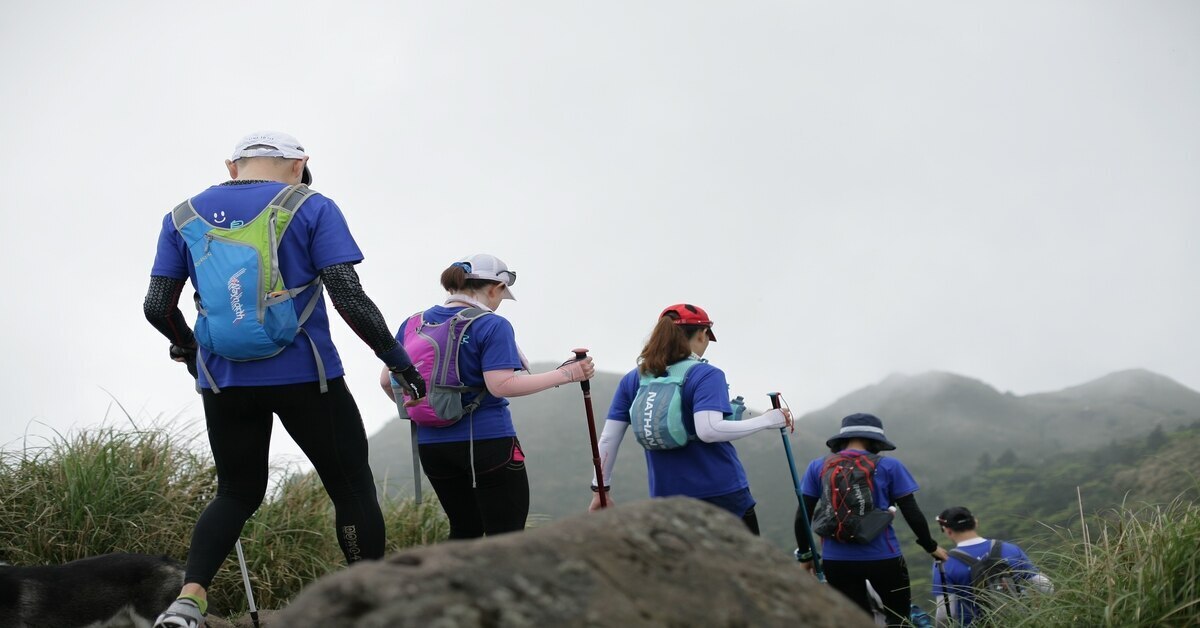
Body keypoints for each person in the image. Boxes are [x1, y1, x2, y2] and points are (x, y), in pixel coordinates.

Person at [144, 131, 426, 628]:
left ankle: (188, 600)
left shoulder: (181, 216)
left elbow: (157, 307)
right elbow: (347, 294)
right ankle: (370, 604)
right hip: (308, 376)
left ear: (233, 166)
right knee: (350, 487)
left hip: (223, 379)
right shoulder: (312, 206)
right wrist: (397, 359)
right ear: (298, 165)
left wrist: (189, 348)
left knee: (235, 492)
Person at [379, 253, 595, 539]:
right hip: (487, 442)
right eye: (501, 296)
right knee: (506, 536)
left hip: (432, 446)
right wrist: (568, 374)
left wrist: (428, 408)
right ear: (495, 288)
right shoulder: (492, 324)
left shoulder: (412, 323)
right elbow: (501, 385)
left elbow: (386, 380)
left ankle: (451, 584)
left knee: (464, 529)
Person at [587, 303, 792, 534]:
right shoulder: (706, 374)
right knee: (744, 567)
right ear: (703, 334)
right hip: (723, 494)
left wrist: (600, 491)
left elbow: (608, 440)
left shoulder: (634, 379)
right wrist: (767, 421)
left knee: (686, 569)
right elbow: (709, 430)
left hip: (666, 498)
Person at [794, 413, 949, 627]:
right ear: (876, 440)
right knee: (899, 618)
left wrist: (805, 555)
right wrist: (930, 546)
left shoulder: (817, 466)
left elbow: (803, 513)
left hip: (836, 560)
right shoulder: (889, 466)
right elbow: (912, 512)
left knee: (856, 622)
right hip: (884, 557)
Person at [932, 506, 1052, 626]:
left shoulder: (945, 563)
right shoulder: (1010, 549)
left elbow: (945, 615)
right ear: (975, 522)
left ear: (947, 530)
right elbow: (1045, 587)